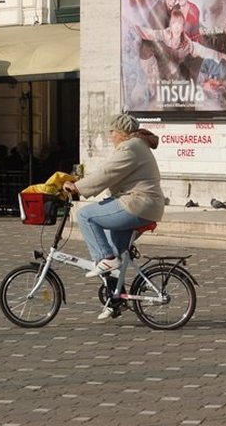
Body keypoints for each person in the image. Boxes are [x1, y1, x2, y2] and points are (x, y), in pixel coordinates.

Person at [63, 114, 165, 319]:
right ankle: (116, 299)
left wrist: (77, 188)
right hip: (143, 205)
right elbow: (107, 172)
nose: (110, 136)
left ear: (121, 132)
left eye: (112, 132)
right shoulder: (136, 145)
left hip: (138, 203)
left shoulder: (131, 147)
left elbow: (107, 173)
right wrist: (81, 182)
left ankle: (105, 258)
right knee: (115, 251)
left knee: (85, 216)